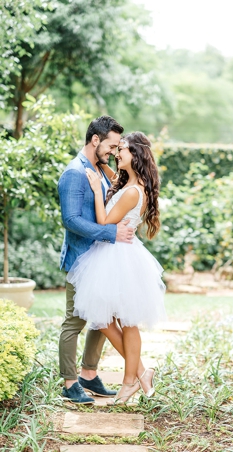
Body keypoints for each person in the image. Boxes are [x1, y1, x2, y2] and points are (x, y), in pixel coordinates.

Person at [67, 131, 166, 405]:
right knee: (107, 320)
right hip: (116, 255)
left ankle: (129, 381)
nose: (116, 153)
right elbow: (114, 177)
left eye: (122, 149)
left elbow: (104, 220)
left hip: (118, 256)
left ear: (135, 156)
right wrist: (103, 161)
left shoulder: (132, 192)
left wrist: (97, 191)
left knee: (125, 322)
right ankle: (142, 373)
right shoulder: (132, 184)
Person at [58, 115, 133, 404]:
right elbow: (71, 220)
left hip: (101, 260)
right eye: (111, 146)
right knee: (74, 322)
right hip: (80, 260)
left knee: (102, 318)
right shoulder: (75, 173)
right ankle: (69, 382)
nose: (114, 152)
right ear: (95, 140)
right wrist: (111, 232)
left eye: (117, 148)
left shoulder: (98, 169)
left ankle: (89, 375)